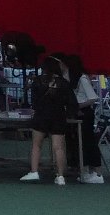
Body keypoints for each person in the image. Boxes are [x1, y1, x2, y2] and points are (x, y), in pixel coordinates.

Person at [21, 55, 74, 185]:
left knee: (36, 145)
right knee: (59, 148)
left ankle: (34, 171)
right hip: (58, 116)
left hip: (41, 115)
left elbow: (34, 101)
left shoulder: (38, 81)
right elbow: (72, 102)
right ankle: (60, 176)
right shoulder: (64, 83)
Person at [64, 55, 106, 184]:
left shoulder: (82, 78)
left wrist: (77, 106)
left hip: (85, 113)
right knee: (81, 142)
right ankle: (87, 170)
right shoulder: (74, 78)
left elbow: (93, 98)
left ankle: (98, 173)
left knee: (88, 142)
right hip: (80, 112)